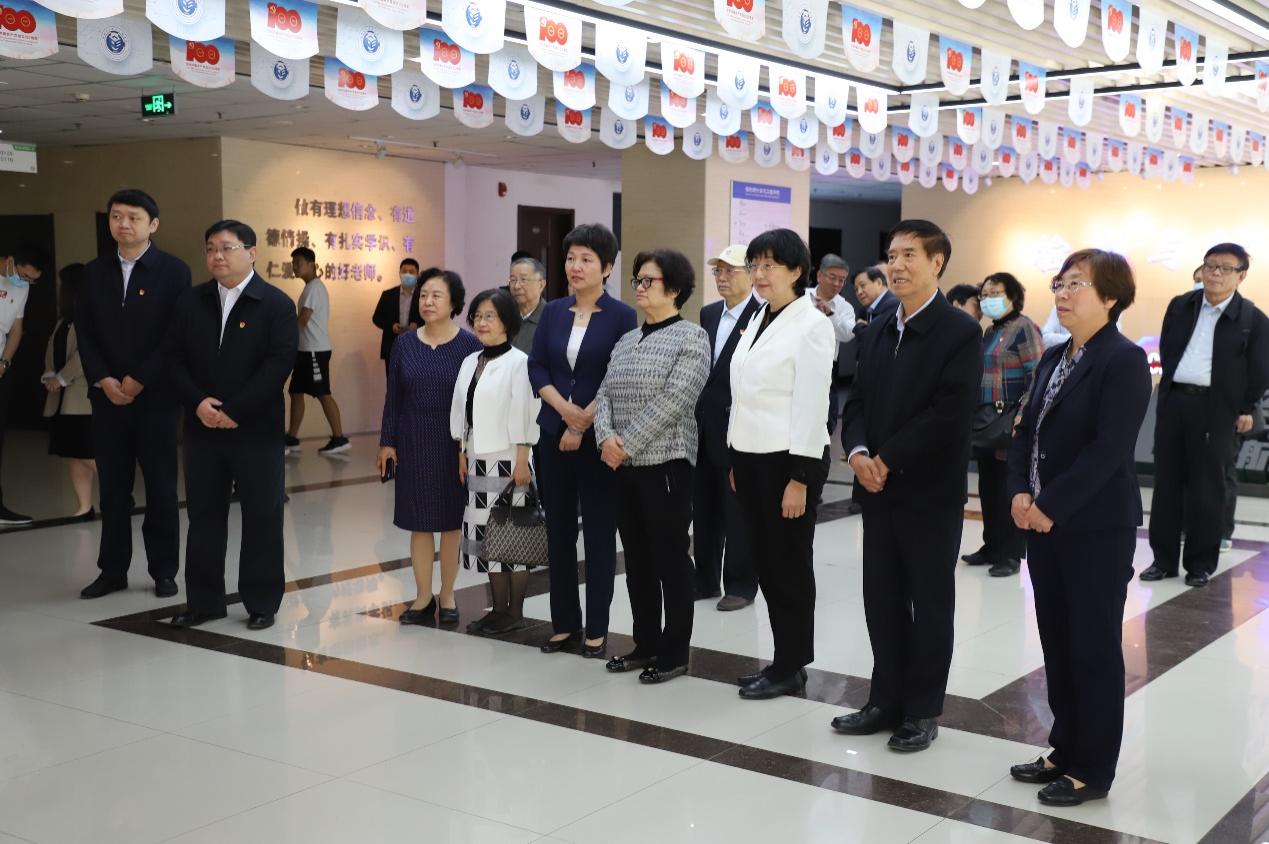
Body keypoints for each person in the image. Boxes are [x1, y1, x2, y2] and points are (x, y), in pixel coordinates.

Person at [1005, 249, 1151, 806]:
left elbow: (1108, 450)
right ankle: (1064, 747)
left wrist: (1051, 504)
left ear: (1110, 297)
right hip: (1044, 525)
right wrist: (1019, 491)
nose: (1062, 295)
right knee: (1058, 642)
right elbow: (1025, 431)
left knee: (1092, 647)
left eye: (1077, 285)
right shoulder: (1054, 356)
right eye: (1059, 284)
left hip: (1094, 528)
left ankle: (1092, 767)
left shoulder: (1124, 360)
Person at [834, 220, 981, 751]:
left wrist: (887, 458)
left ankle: (921, 710)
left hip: (929, 492)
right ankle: (885, 699)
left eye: (909, 255)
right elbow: (855, 402)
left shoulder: (959, 332)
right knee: (882, 598)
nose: (896, 265)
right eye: (892, 255)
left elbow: (948, 414)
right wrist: (857, 452)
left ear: (937, 263)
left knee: (930, 601)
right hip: (878, 489)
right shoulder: (878, 328)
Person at [168, 220, 298, 630]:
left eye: (226, 248)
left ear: (252, 252)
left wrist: (234, 410)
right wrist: (198, 402)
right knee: (204, 516)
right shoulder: (191, 301)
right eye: (210, 249)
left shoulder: (276, 304)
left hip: (256, 430)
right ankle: (204, 602)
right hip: (202, 427)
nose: (217, 256)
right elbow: (173, 359)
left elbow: (278, 365)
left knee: (262, 516)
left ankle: (261, 602)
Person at [728, 228, 835, 700]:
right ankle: (782, 660)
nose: (759, 273)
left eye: (769, 265)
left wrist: (800, 479)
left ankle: (791, 665)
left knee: (788, 566)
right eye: (754, 264)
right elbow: (743, 394)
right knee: (766, 563)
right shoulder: (758, 317)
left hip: (788, 463)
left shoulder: (811, 324)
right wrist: (736, 456)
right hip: (751, 458)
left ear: (796, 271)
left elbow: (812, 406)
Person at [596, 248, 711, 683]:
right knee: (638, 559)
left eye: (649, 281)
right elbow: (603, 394)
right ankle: (645, 642)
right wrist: (605, 438)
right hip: (622, 467)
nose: (640, 288)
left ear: (675, 289)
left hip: (665, 465)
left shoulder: (691, 338)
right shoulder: (627, 340)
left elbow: (676, 399)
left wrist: (625, 444)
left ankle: (674, 651)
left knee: (670, 559)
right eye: (637, 280)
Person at [529, 223, 637, 659]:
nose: (575, 266)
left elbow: (618, 373)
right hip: (551, 434)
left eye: (587, 259)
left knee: (598, 533)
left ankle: (596, 628)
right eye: (571, 258)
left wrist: (582, 422)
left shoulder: (622, 316)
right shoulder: (553, 311)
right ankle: (564, 624)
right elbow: (537, 366)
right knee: (557, 532)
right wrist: (564, 412)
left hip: (598, 440)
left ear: (607, 267)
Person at [76, 190, 190, 597]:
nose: (123, 224)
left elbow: (174, 335)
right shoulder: (94, 272)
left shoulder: (173, 271)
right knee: (113, 488)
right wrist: (103, 379)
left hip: (156, 399)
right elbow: (85, 332)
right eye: (116, 216)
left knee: (160, 488)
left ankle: (164, 570)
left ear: (153, 224)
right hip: (107, 398)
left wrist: (140, 378)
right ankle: (112, 570)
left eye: (133, 217)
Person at [1143, 243, 1269, 588]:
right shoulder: (1181, 305)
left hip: (1216, 409)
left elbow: (1260, 370)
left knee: (1207, 488)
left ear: (1241, 276)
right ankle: (1163, 560)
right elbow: (1168, 348)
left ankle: (1200, 564)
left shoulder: (1252, 320)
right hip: (1175, 401)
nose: (1215, 273)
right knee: (1166, 483)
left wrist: (1245, 407)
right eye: (1210, 265)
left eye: (1225, 268)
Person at [378, 269, 483, 626]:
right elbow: (393, 398)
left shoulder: (470, 345)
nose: (427, 301)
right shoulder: (404, 344)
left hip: (454, 446)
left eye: (436, 295)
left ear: (454, 302)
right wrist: (387, 442)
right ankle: (422, 597)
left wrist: (470, 447)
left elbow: (475, 401)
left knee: (451, 523)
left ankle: (447, 595)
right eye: (423, 295)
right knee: (419, 523)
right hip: (413, 441)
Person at [450, 289, 540, 635]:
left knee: (512, 534)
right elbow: (461, 410)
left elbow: (525, 412)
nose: (482, 322)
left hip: (509, 459)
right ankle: (498, 610)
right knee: (488, 536)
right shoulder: (470, 361)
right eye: (477, 316)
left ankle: (514, 613)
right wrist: (462, 450)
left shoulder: (519, 362)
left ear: (507, 321)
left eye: (490, 316)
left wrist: (523, 460)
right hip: (477, 457)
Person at [694, 245, 762, 610]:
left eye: (730, 271)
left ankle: (740, 585)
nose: (721, 278)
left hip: (739, 427)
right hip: (705, 426)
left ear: (751, 275)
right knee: (704, 508)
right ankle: (705, 579)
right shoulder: (708, 314)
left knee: (737, 510)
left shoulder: (761, 316)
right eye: (718, 271)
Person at [963, 273, 1044, 577]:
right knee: (988, 486)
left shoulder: (1025, 328)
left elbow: (1037, 375)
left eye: (995, 293)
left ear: (1012, 296)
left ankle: (1010, 554)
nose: (988, 299)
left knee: (1008, 487)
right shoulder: (990, 331)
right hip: (986, 421)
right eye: (984, 294)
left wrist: (1022, 415)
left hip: (1010, 421)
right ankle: (992, 545)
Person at [41, 264, 96, 520]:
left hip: (82, 398)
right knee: (73, 454)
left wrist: (62, 378)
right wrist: (50, 374)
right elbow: (51, 351)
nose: (58, 288)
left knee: (88, 452)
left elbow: (86, 355)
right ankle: (84, 507)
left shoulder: (91, 316)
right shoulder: (63, 321)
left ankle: (120, 496)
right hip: (61, 399)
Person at [283, 248, 348, 456]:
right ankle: (292, 438)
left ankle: (339, 438)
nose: (295, 266)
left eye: (298, 262)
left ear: (312, 264)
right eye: (293, 263)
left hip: (314, 351)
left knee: (323, 393)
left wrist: (284, 341)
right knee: (295, 392)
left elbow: (303, 319)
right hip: (306, 351)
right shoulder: (310, 288)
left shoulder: (315, 288)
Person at [0, 246, 42, 526]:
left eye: (32, 280)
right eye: (24, 276)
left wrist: (4, 363)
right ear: (11, 261)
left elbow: (16, 329)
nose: (25, 282)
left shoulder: (22, 288)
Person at [807, 255, 855, 435]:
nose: (837, 284)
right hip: (796, 361)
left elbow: (848, 334)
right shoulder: (801, 296)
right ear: (819, 275)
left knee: (825, 416)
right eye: (832, 277)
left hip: (825, 365)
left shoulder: (844, 307)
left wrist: (830, 313)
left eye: (841, 280)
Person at [372, 259, 425, 379]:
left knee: (413, 384)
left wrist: (417, 326)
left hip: (416, 348)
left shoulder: (423, 296)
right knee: (393, 384)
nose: (407, 275)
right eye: (404, 271)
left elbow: (430, 319)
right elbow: (376, 318)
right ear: (399, 273)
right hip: (392, 346)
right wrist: (391, 326)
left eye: (411, 272)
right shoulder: (388, 295)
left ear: (417, 275)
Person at [509, 256, 548, 354]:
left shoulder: (551, 318)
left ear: (541, 285)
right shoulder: (505, 317)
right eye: (513, 280)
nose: (516, 286)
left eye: (523, 279)